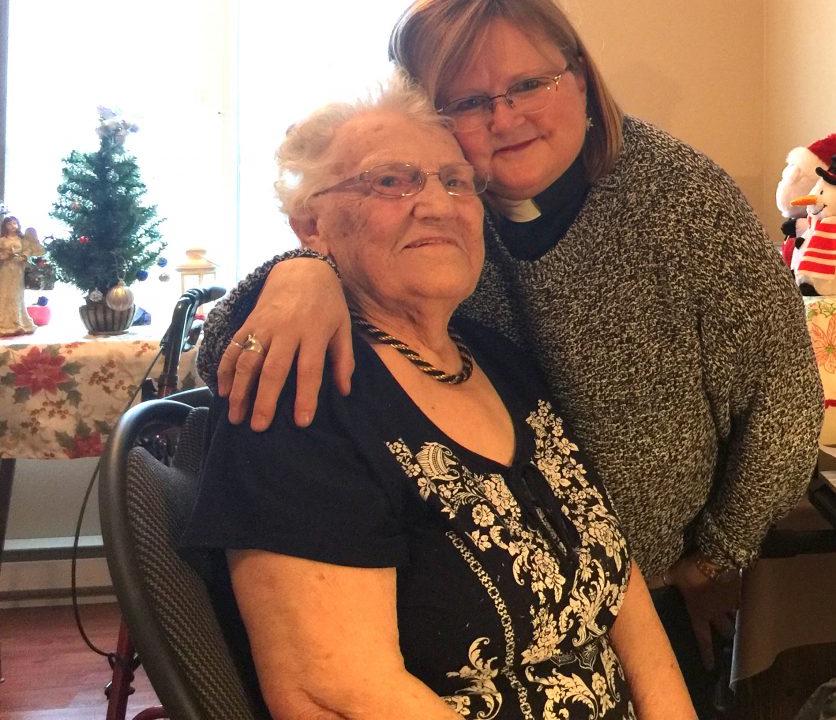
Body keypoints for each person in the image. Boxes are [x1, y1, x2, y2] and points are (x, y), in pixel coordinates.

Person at [197, 0, 824, 708]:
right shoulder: (452, 209)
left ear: (583, 80)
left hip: (647, 581)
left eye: (530, 85)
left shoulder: (677, 197)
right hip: (473, 608)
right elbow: (245, 350)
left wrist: (715, 559)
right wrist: (301, 273)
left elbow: (783, 398)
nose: (505, 116)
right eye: (466, 101)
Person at [183, 74, 694, 719]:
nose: (437, 203)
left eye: (456, 181)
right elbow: (334, 693)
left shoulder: (502, 361)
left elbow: (619, 588)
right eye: (390, 181)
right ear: (310, 223)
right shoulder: (304, 389)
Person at [0, 215, 44, 336]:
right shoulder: (2, 240)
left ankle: (18, 320)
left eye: (15, 223)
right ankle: (4, 322)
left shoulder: (22, 240)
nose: (13, 226)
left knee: (16, 294)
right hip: (5, 270)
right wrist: (6, 256)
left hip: (17, 270)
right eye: (10, 224)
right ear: (5, 226)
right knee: (4, 293)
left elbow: (28, 250)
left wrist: (23, 256)